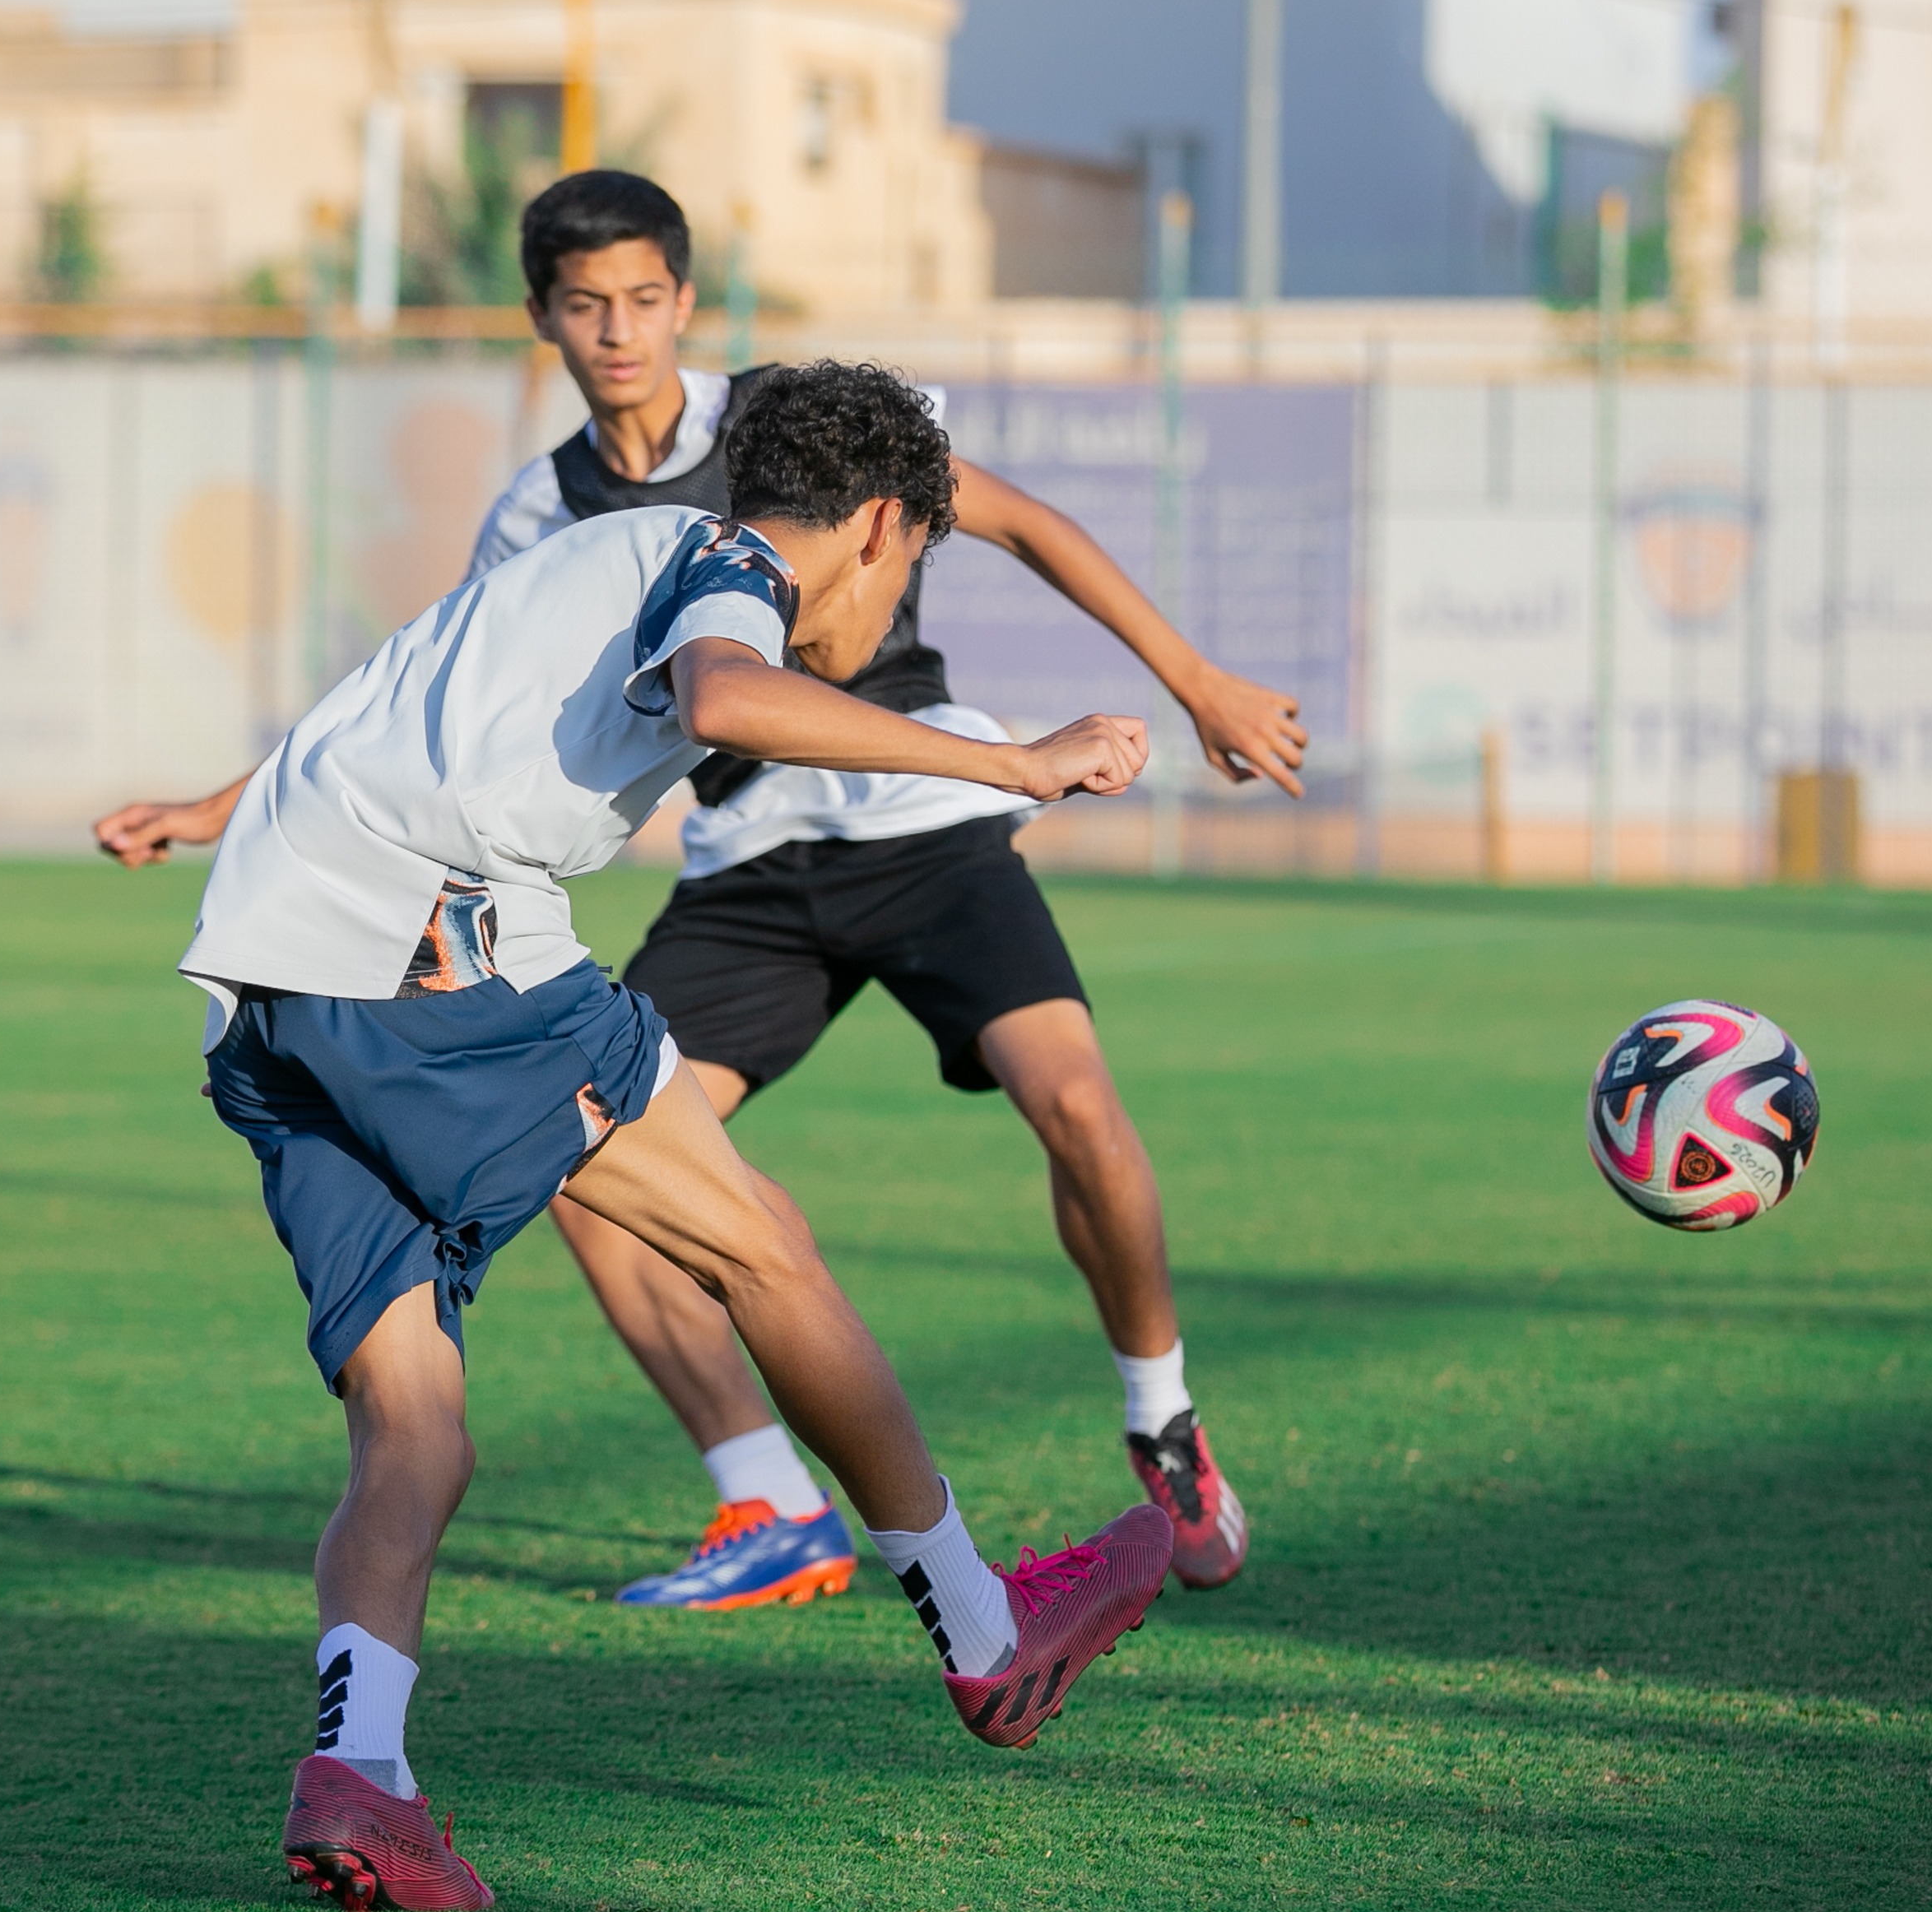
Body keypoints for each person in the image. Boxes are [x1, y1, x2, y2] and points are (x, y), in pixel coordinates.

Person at [97, 172, 1306, 1617]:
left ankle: (1160, 1414)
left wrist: (1195, 682)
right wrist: (222, 804)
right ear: (542, 318)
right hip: (746, 865)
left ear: (685, 300)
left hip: (923, 816)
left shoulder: (802, 433)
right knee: (622, 1199)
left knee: (1076, 1102)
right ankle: (781, 1504)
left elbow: (1025, 524)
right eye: (585, 304)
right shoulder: (545, 508)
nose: (618, 331)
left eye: (644, 299)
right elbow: (437, 701)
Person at [185, 364, 1174, 1912]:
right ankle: (987, 1631)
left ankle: (359, 1778)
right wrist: (1016, 761)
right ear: (876, 525)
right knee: (761, 1246)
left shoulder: (584, 566)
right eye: (912, 562)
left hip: (262, 991)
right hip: (433, 952)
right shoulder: (726, 557)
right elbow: (728, 697)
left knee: (416, 1427)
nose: (893, 597)